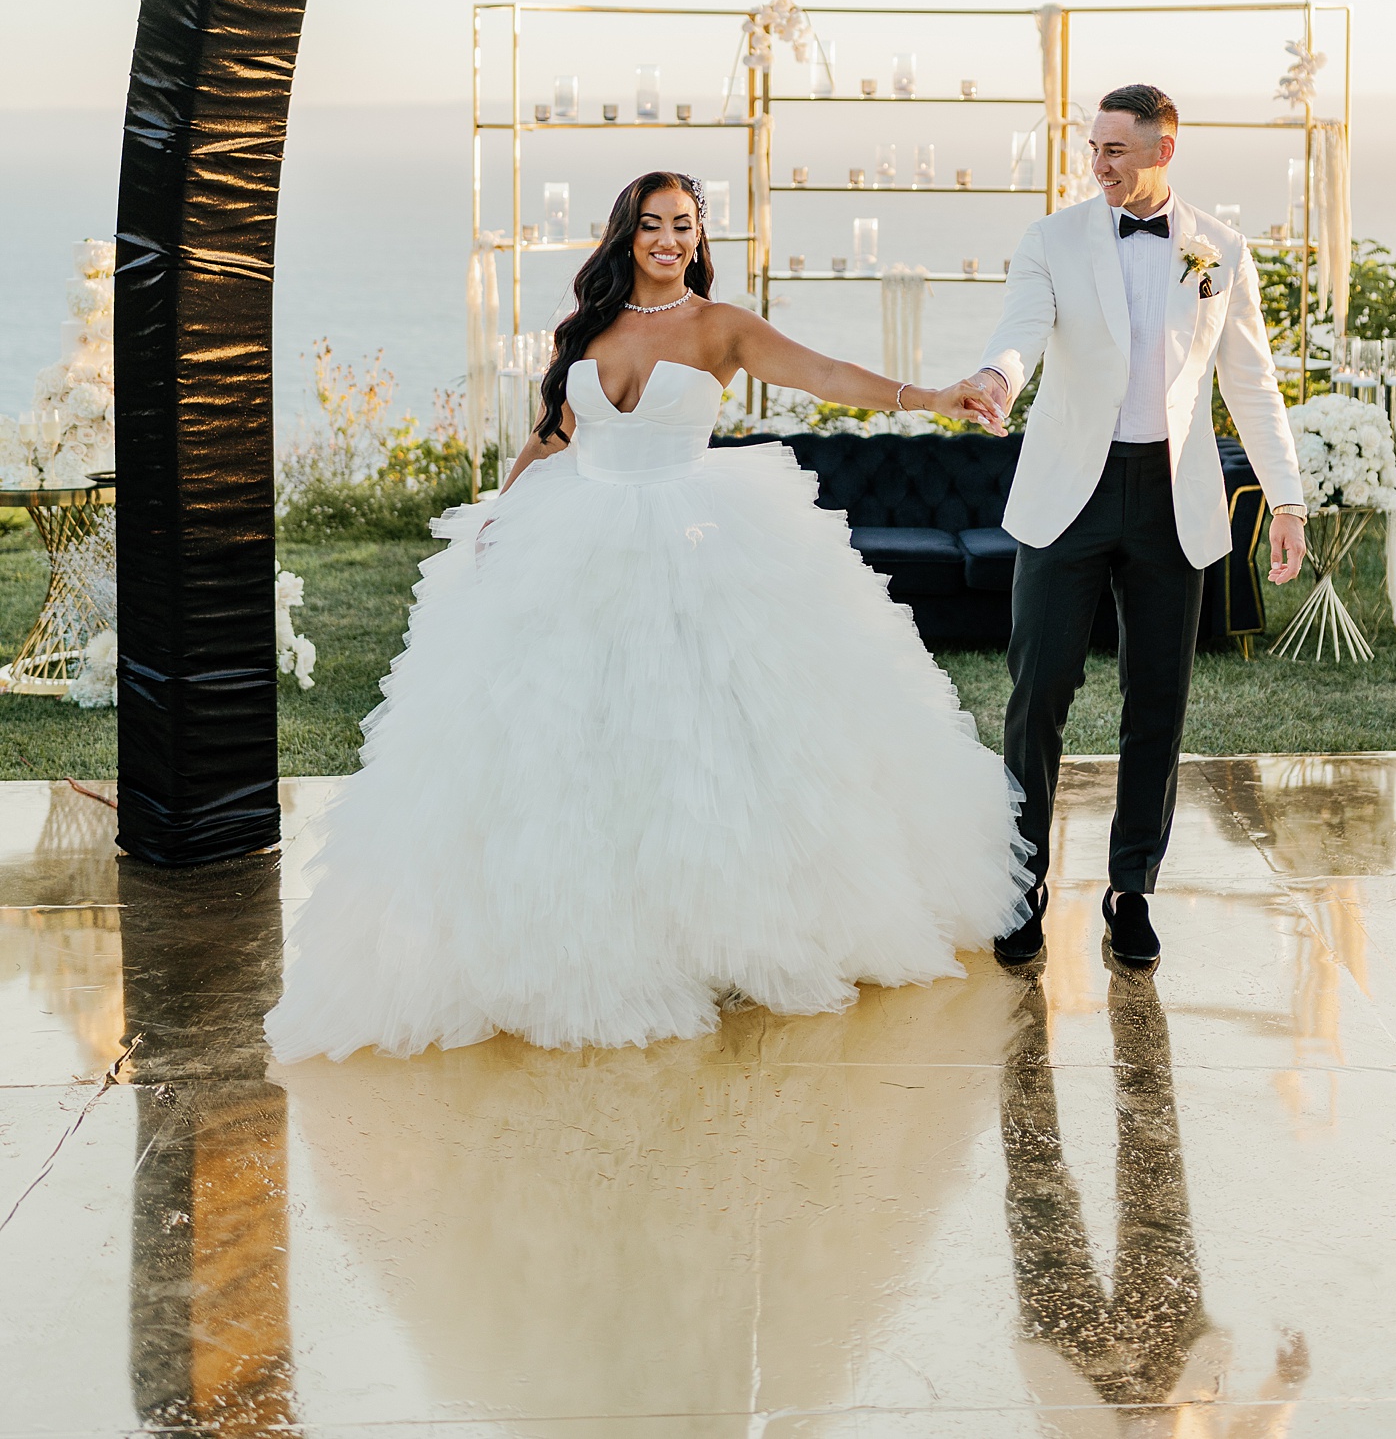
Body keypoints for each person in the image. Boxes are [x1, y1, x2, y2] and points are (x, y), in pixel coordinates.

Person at [266, 171, 1022, 1061]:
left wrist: (931, 399)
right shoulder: (587, 329)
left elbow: (821, 373)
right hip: (575, 538)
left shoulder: (721, 326)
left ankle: (726, 925)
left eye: (684, 227)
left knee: (705, 743)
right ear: (627, 235)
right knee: (571, 741)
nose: (669, 240)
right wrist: (501, 513)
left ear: (701, 239)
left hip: (694, 535)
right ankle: (582, 925)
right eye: (653, 225)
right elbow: (553, 434)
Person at [968, 84, 1306, 976]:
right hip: (1068, 496)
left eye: (1114, 149)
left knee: (1157, 702)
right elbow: (1021, 332)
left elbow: (1252, 382)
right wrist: (999, 379)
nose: (1097, 163)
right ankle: (1021, 881)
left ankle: (1131, 890)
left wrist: (1289, 499)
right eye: (1092, 147)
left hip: (1171, 498)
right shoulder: (1051, 240)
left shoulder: (1219, 251)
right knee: (1037, 689)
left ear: (1164, 150)